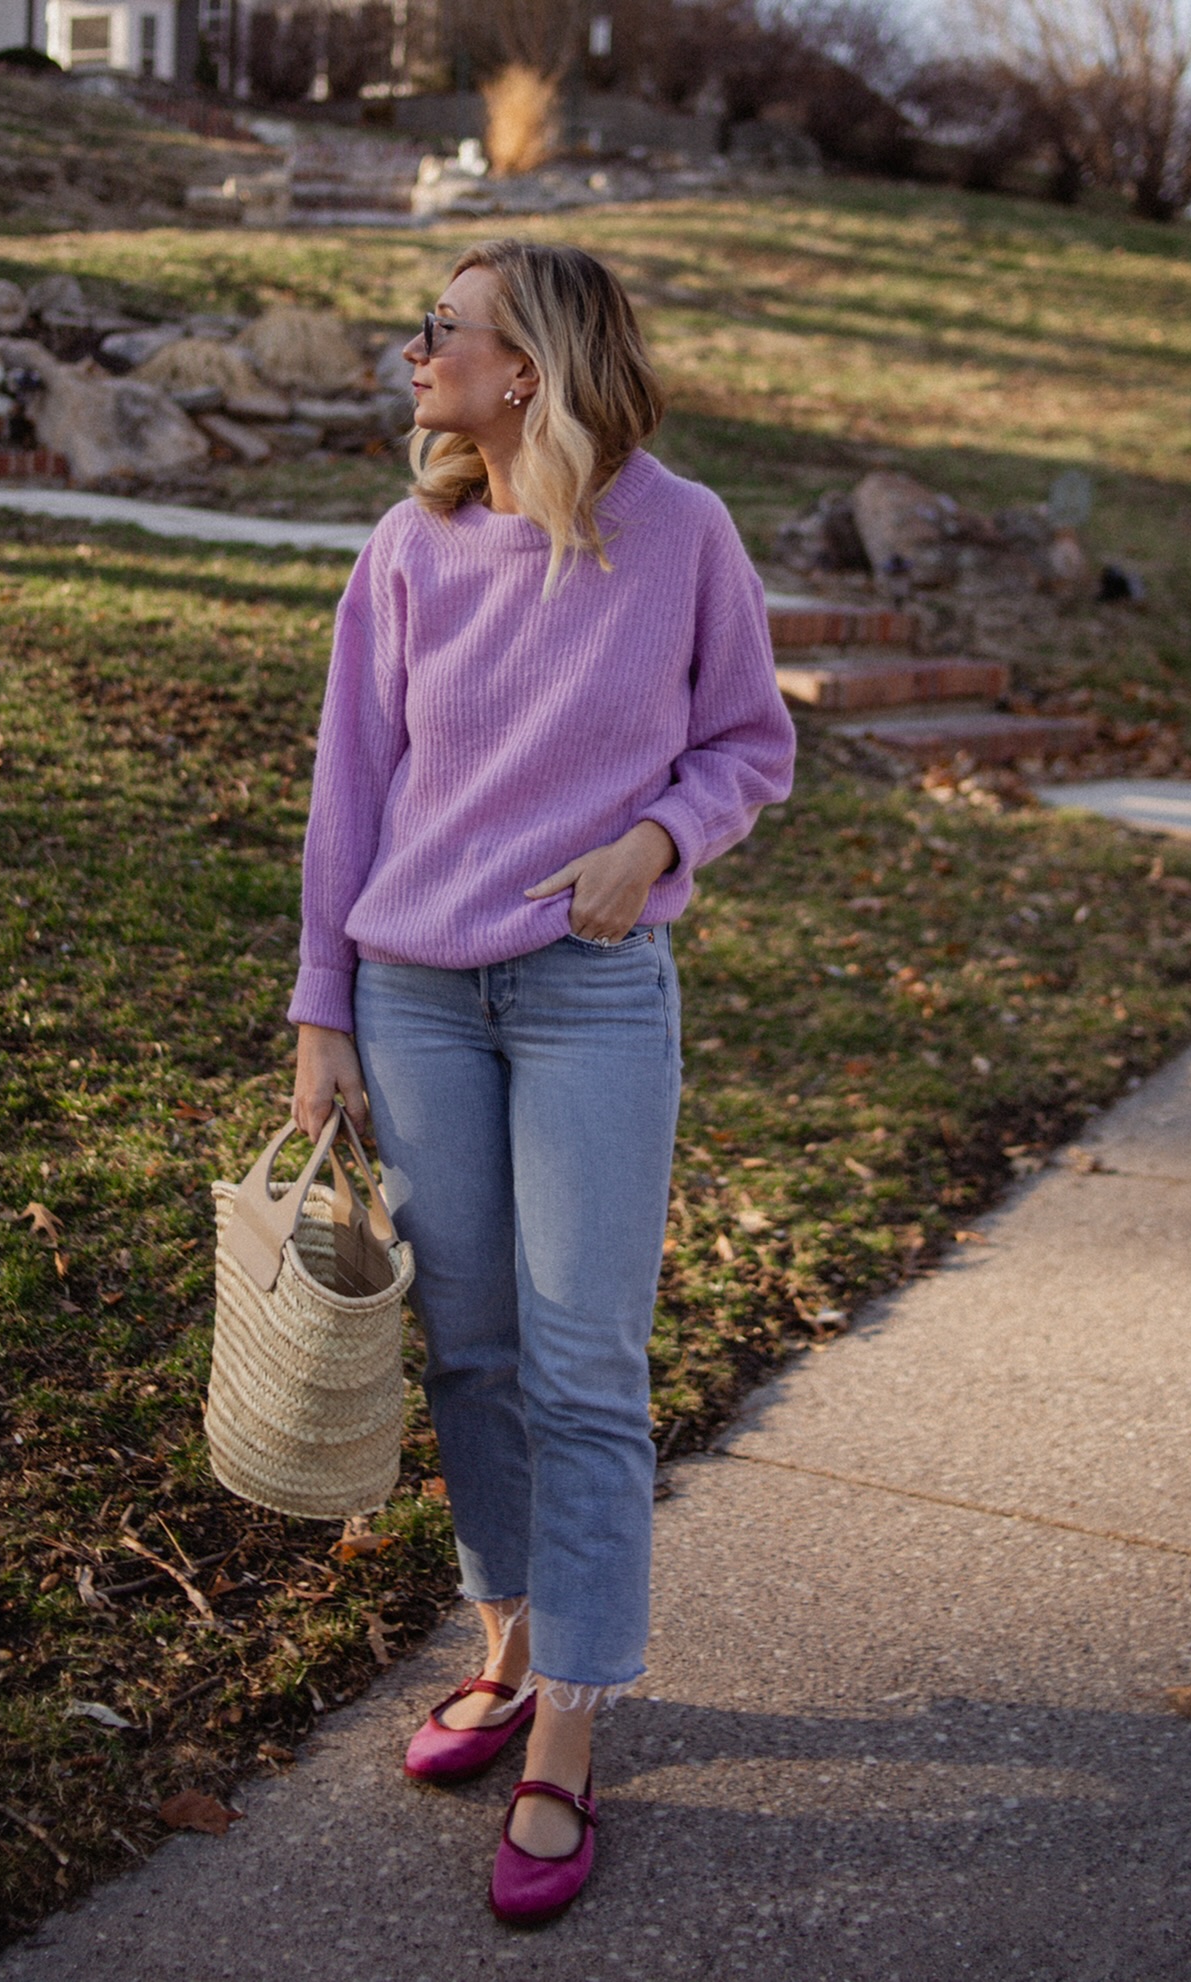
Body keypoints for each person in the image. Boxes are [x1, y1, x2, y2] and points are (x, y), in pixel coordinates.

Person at [288, 238, 795, 1926]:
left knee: (584, 1364)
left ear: (531, 369)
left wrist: (655, 838)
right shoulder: (410, 543)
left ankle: (569, 1723)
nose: (412, 351)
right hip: (416, 994)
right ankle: (504, 1639)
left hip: (591, 1001)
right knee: (473, 1348)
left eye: (442, 330)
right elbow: (349, 790)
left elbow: (749, 745)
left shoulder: (683, 533)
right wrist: (323, 1010)